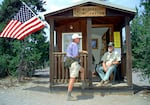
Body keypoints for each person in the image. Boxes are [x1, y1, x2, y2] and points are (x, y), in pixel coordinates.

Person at [66, 33, 85, 101]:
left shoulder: (71, 44)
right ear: (75, 39)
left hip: (71, 62)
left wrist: (80, 52)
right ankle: (68, 95)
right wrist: (80, 55)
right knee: (72, 78)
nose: (79, 39)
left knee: (82, 70)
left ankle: (83, 84)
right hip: (74, 63)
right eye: (78, 38)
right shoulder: (75, 45)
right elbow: (75, 55)